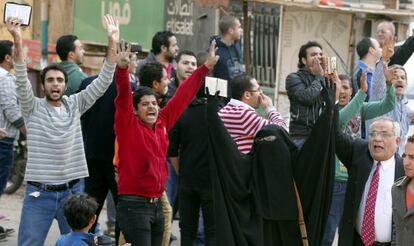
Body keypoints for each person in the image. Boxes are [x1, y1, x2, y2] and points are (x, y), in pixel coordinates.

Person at [6, 15, 123, 246]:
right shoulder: (33, 107)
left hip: (73, 193)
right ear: (43, 84)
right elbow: (20, 72)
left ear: (65, 84)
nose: (55, 84)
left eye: (60, 80)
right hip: (39, 195)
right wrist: (17, 38)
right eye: (50, 80)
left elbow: (104, 79)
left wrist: (112, 39)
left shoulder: (75, 104)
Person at [114, 40, 217, 245]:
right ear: (135, 110)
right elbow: (124, 95)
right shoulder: (128, 124)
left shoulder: (163, 121)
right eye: (145, 104)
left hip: (157, 205)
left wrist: (205, 68)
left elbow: (184, 94)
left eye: (154, 103)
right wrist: (123, 69)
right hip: (134, 204)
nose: (151, 107)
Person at [322, 70, 396, 245]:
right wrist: (362, 93)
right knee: (329, 232)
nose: (342, 91)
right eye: (339, 87)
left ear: (351, 90)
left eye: (346, 87)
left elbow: (388, 104)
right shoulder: (329, 111)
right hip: (336, 180)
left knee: (350, 233)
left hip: (356, 180)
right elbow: (340, 120)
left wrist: (389, 84)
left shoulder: (360, 107)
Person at [335, 116, 405, 245]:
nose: (377, 139)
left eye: (384, 134)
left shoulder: (405, 171)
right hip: (357, 241)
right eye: (373, 134)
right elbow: (335, 135)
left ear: (398, 140)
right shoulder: (358, 155)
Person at [218, 74, 287, 154]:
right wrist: (270, 108)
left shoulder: (227, 109)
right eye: (258, 90)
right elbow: (283, 130)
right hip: (244, 164)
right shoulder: (243, 115)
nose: (261, 93)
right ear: (247, 95)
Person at [285, 41, 325, 148]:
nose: (318, 57)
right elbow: (307, 98)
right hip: (301, 136)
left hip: (321, 135)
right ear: (304, 60)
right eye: (313, 55)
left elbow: (332, 102)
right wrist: (319, 77)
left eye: (320, 54)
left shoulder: (323, 78)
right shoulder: (293, 78)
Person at [370, 19, 414, 101]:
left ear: (392, 35)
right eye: (378, 32)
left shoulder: (395, 52)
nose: (379, 34)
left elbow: (406, 50)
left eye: (383, 32)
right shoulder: (372, 52)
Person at [211, 16, 245, 97]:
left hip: (239, 96)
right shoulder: (215, 51)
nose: (241, 30)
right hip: (224, 99)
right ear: (231, 30)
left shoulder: (236, 46)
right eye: (239, 27)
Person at [391, 135, 414, 245]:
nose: (405, 162)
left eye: (412, 157)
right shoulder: (396, 189)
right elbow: (396, 231)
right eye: (405, 156)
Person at [386, 65, 413, 156]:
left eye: (403, 78)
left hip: (398, 157)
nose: (400, 80)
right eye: (395, 77)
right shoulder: (382, 100)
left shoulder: (406, 107)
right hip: (383, 153)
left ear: (406, 83)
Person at [353, 37, 382, 102]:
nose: (381, 49)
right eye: (379, 47)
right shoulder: (359, 73)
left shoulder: (376, 71)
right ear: (371, 50)